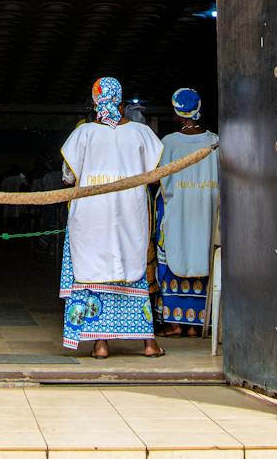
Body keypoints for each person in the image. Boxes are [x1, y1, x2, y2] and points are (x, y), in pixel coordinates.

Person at [59, 76, 165, 358]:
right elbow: (154, 175)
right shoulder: (141, 133)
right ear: (120, 100)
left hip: (91, 212)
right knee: (134, 269)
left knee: (91, 267)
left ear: (95, 100)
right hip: (130, 211)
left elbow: (69, 176)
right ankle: (149, 344)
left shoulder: (84, 134)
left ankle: (101, 344)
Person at [154, 87, 219, 338]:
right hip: (206, 215)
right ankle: (197, 324)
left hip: (177, 214)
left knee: (174, 254)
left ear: (177, 112)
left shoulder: (168, 143)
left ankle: (175, 323)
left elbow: (160, 181)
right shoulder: (214, 141)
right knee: (204, 256)